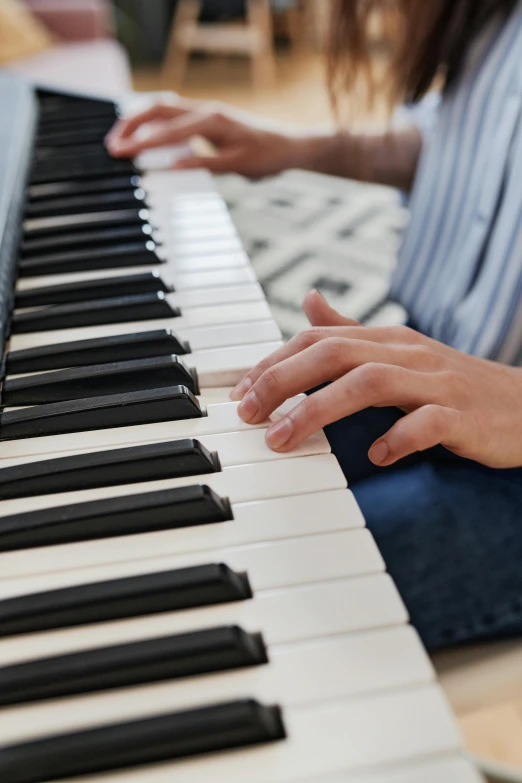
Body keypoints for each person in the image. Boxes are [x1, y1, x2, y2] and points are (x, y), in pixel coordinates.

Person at [107, 0, 522, 651]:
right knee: (218, 454)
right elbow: (461, 142)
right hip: (437, 372)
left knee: (269, 577)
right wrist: (294, 147)